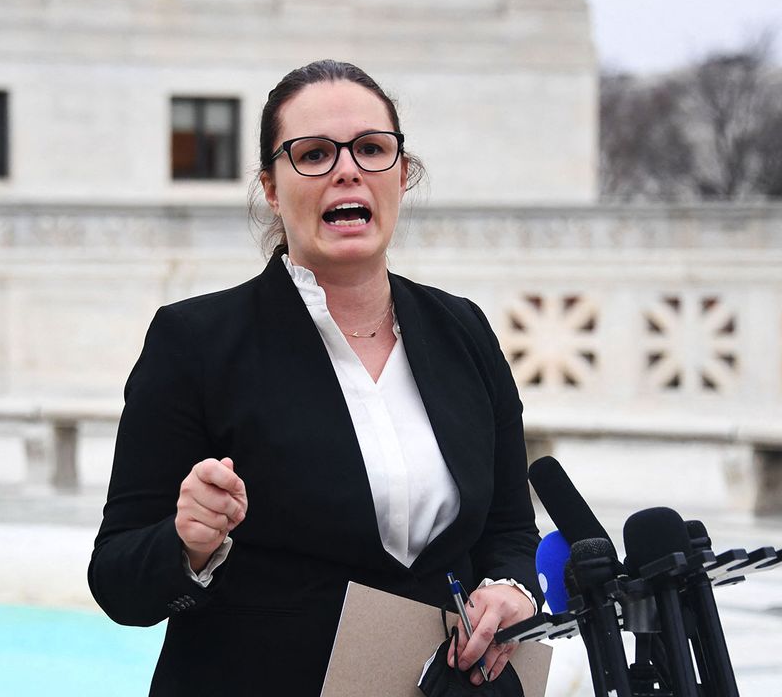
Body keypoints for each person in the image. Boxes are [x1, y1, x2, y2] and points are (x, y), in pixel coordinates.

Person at [88, 60, 542, 695]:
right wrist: (186, 544)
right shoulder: (192, 342)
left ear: (402, 175)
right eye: (314, 153)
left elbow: (509, 528)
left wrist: (513, 588)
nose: (347, 169)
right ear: (271, 188)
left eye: (371, 148)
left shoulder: (463, 330)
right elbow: (116, 581)